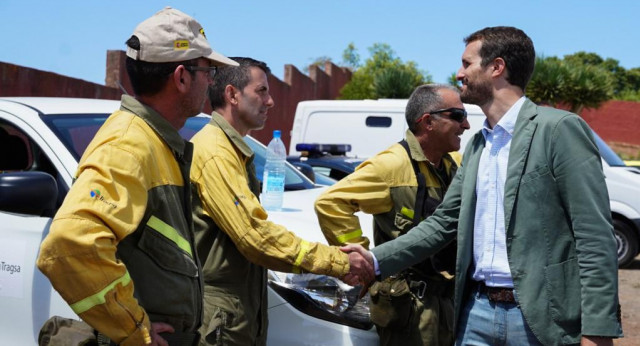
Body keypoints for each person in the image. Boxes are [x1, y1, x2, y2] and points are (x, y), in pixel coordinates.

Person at [343, 26, 623, 345]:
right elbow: (443, 223)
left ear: (496, 67)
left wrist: (597, 331)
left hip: (539, 320)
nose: (459, 73)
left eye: (467, 63)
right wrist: (373, 260)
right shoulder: (478, 144)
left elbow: (594, 235)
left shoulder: (558, 130)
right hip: (475, 314)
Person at [36, 7, 238, 346]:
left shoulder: (154, 141)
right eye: (208, 70)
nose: (211, 81)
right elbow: (68, 245)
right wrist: (133, 329)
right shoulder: (130, 145)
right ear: (181, 77)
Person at [189, 57, 371, 346]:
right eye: (261, 91)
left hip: (239, 310)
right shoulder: (215, 153)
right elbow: (256, 236)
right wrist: (337, 261)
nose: (271, 101)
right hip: (221, 315)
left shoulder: (234, 149)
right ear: (232, 95)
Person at [314, 84, 469, 345]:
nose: (465, 125)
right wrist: (361, 260)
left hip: (447, 303)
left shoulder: (453, 164)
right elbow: (330, 203)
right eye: (457, 116)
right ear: (428, 122)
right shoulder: (392, 165)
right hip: (409, 311)